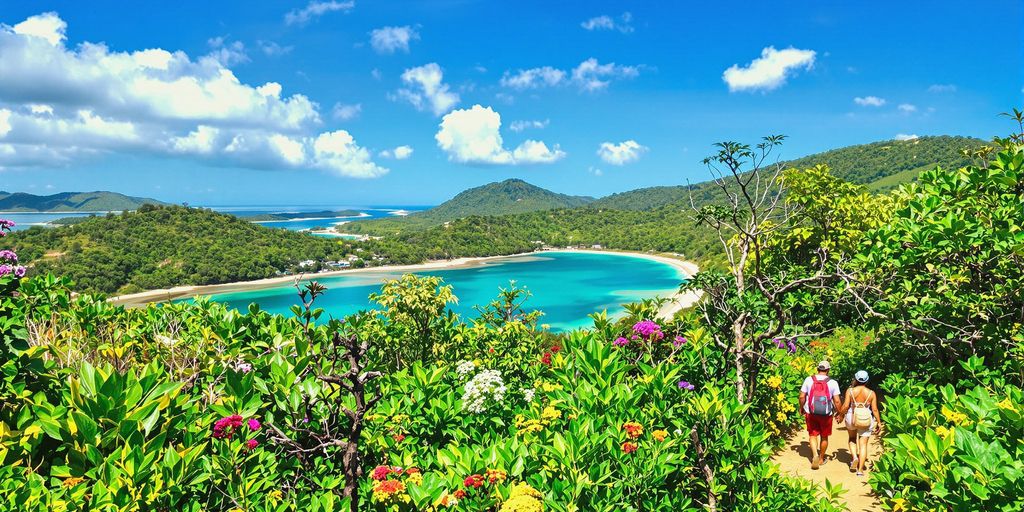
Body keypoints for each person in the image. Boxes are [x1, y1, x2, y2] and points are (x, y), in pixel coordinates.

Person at [798, 360, 842, 469]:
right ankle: (821, 458)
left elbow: (802, 396)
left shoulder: (808, 380)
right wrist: (840, 413)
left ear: (818, 369)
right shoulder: (833, 382)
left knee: (812, 435)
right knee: (824, 436)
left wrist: (802, 407)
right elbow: (837, 401)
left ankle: (815, 455)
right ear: (828, 370)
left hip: (811, 412)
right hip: (826, 414)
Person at [840, 370, 881, 476]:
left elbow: (845, 406)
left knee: (852, 439)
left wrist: (840, 415)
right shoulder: (871, 393)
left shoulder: (850, 391)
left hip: (852, 417)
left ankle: (854, 457)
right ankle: (860, 471)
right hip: (866, 419)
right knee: (863, 445)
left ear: (856, 379)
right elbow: (875, 409)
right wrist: (879, 422)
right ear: (867, 380)